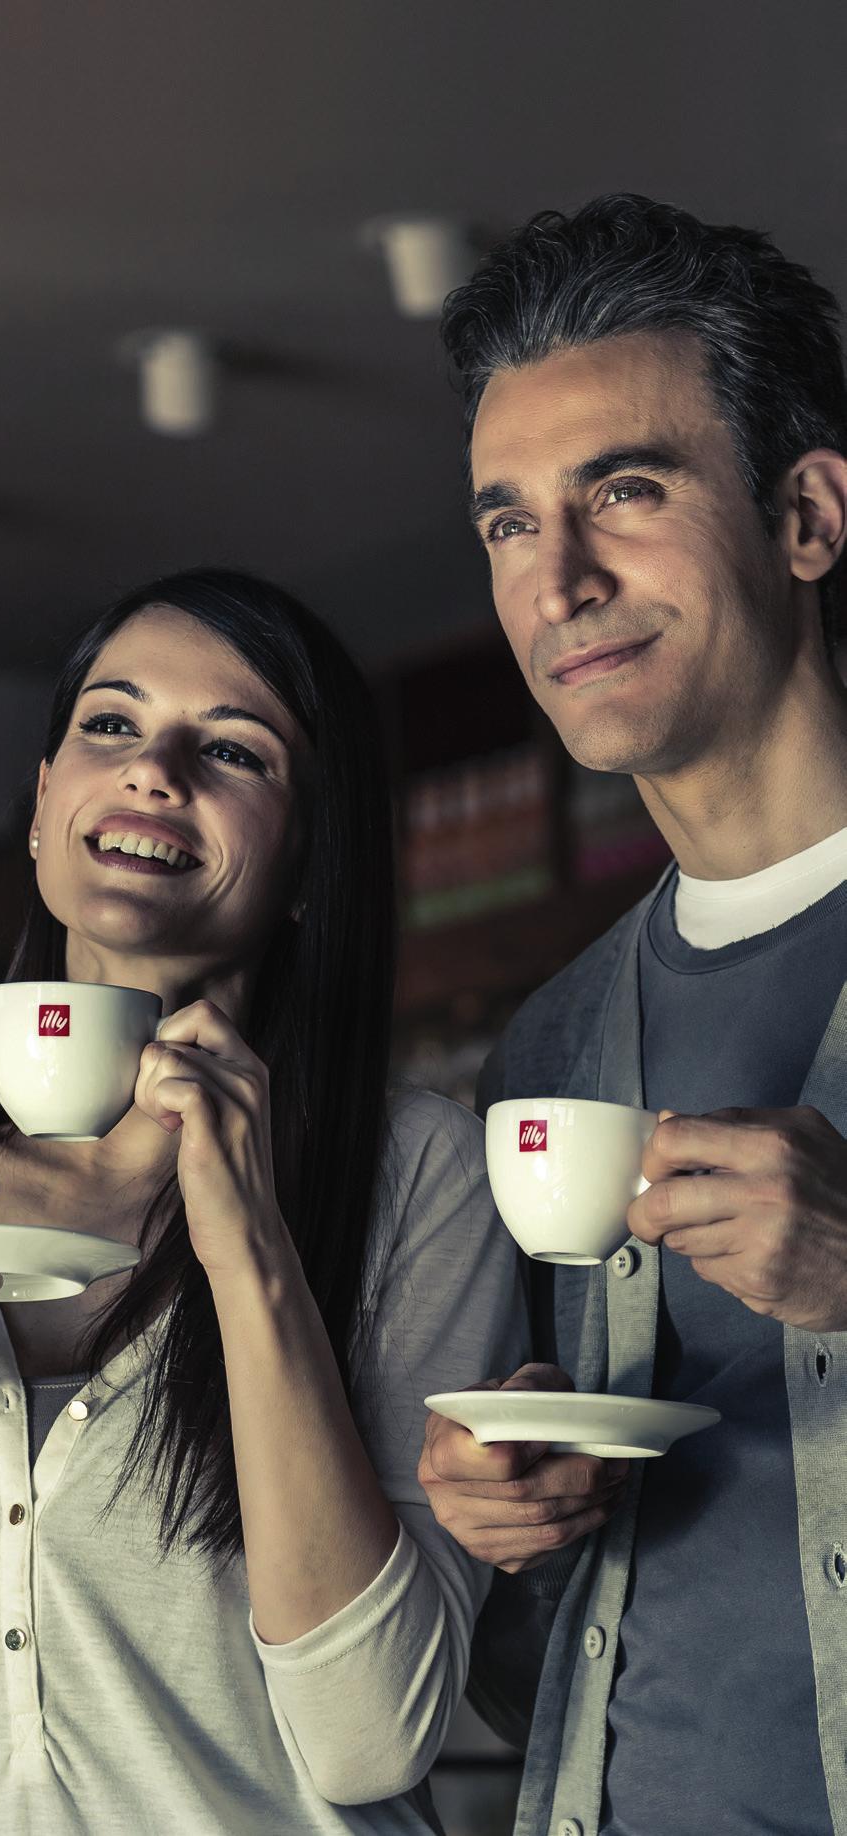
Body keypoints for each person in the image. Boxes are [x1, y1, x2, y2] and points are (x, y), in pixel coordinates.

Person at [0, 566, 525, 1836]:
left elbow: (368, 1742)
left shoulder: (420, 1179)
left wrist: (252, 1250)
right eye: (110, 725)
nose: (152, 771)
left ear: (306, 862)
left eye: (231, 749)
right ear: (41, 810)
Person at [417, 195, 847, 1836]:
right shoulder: (552, 1042)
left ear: (806, 516)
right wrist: (511, 1506)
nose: (561, 579)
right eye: (509, 524)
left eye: (627, 490)